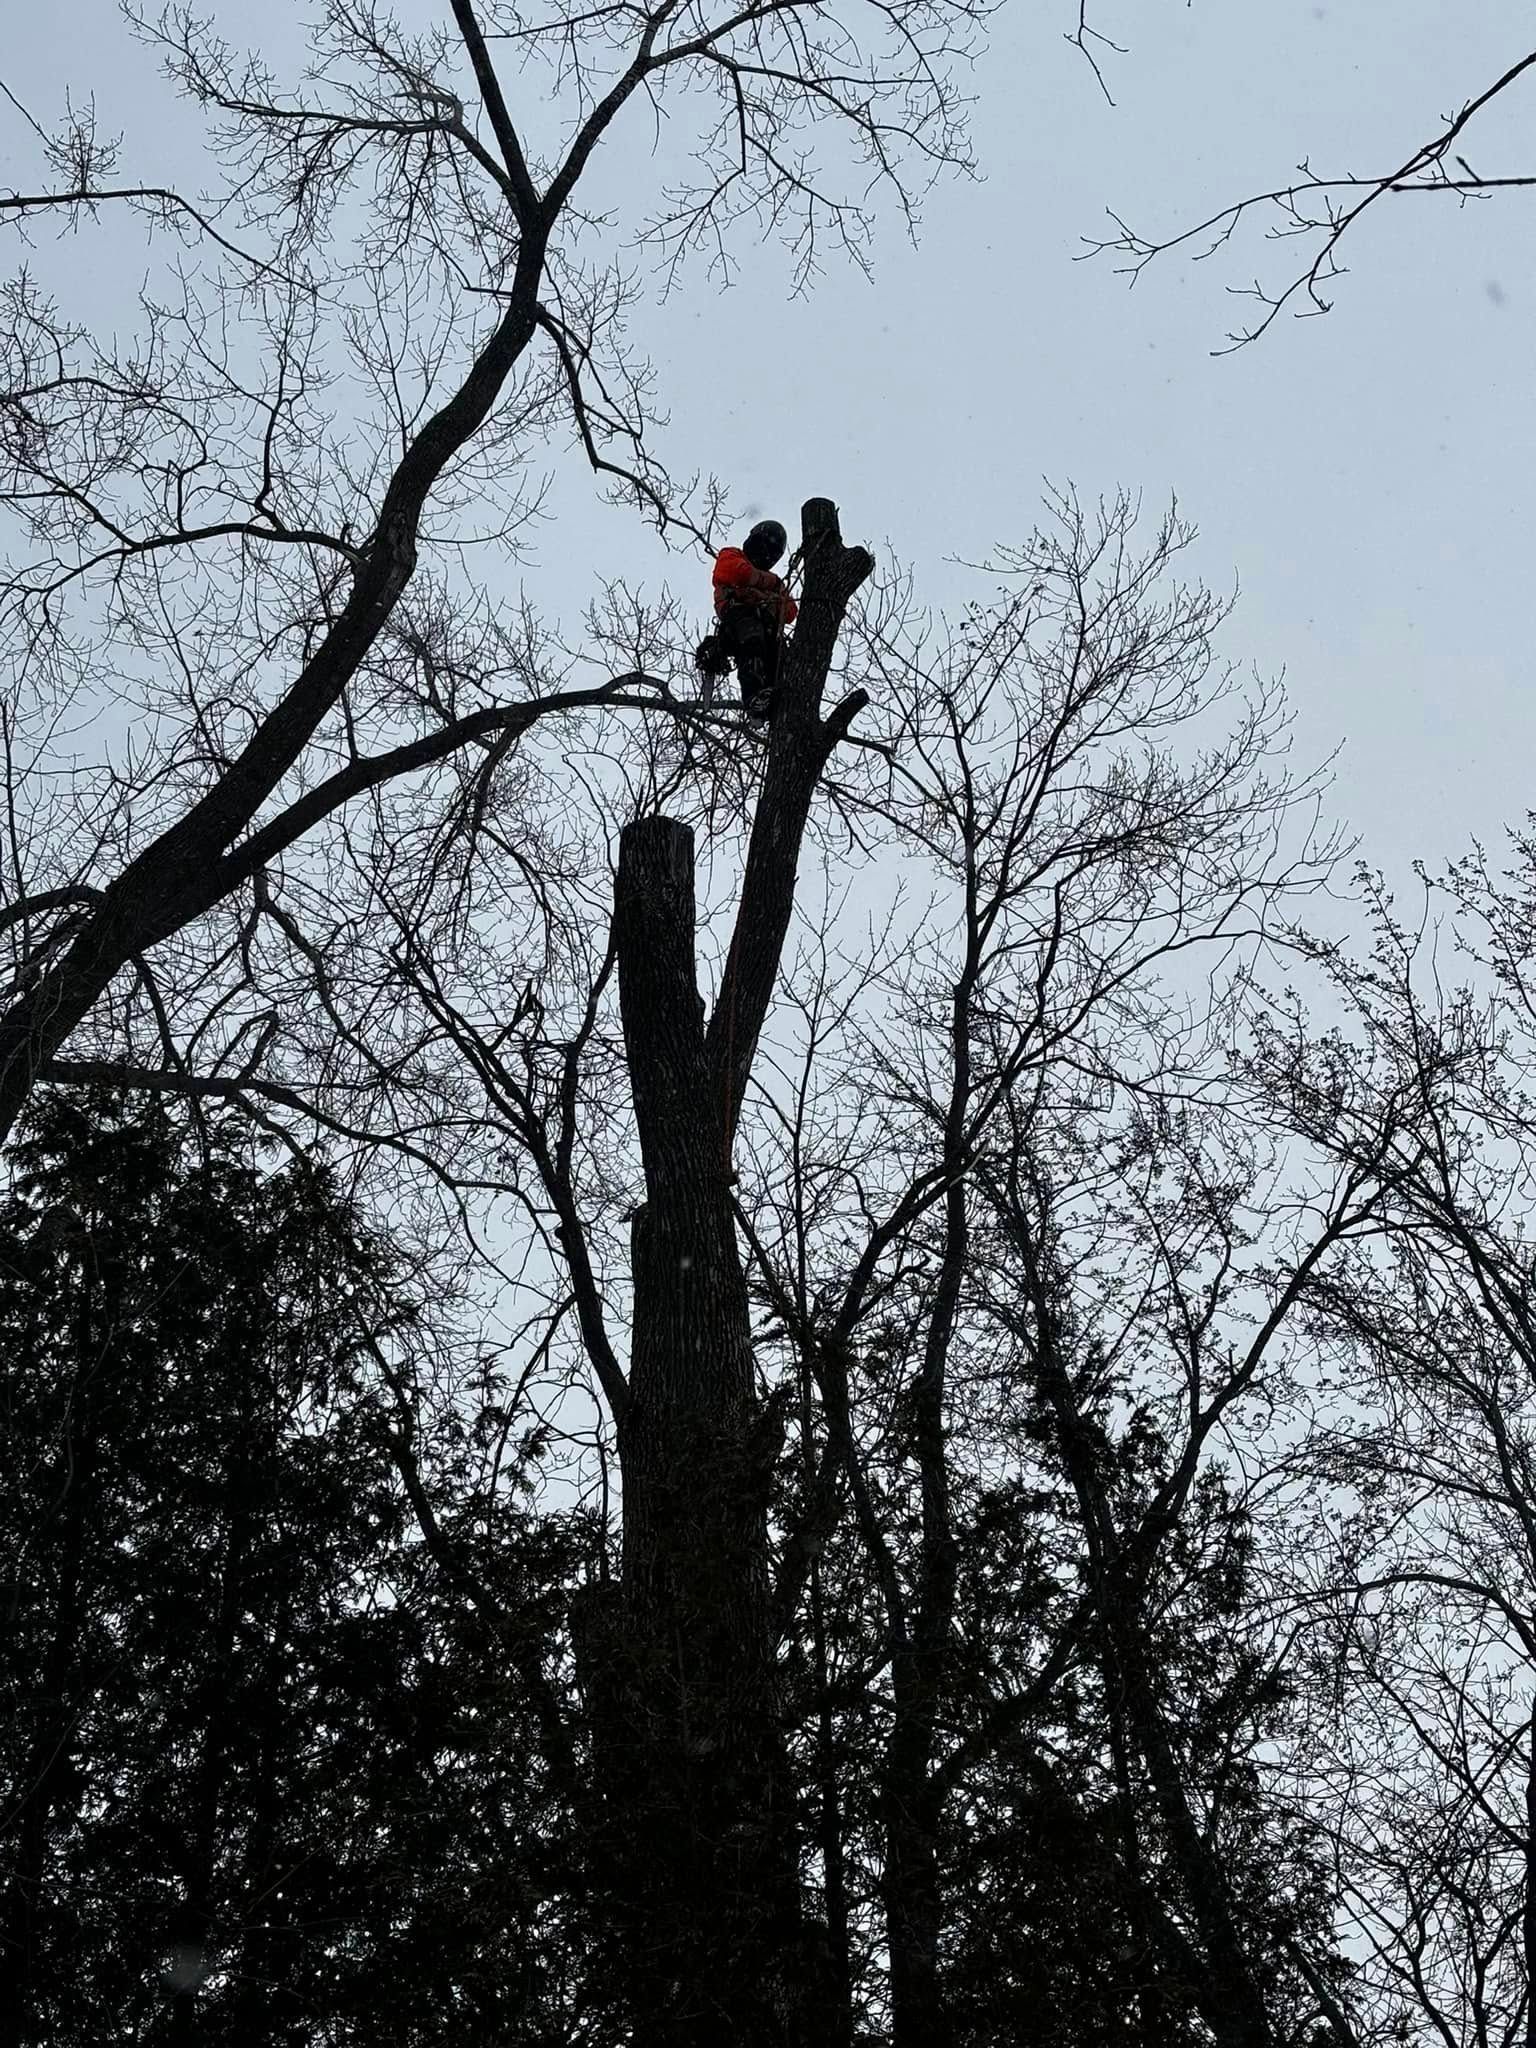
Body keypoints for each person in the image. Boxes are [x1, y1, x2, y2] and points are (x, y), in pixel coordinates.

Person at [701, 520, 798, 719]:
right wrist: (768, 590)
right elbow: (740, 573)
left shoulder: (774, 581)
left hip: (767, 630)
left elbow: (790, 611)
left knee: (779, 657)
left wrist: (760, 594)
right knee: (752, 641)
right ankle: (753, 696)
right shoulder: (731, 555)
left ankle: (773, 700)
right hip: (739, 620)